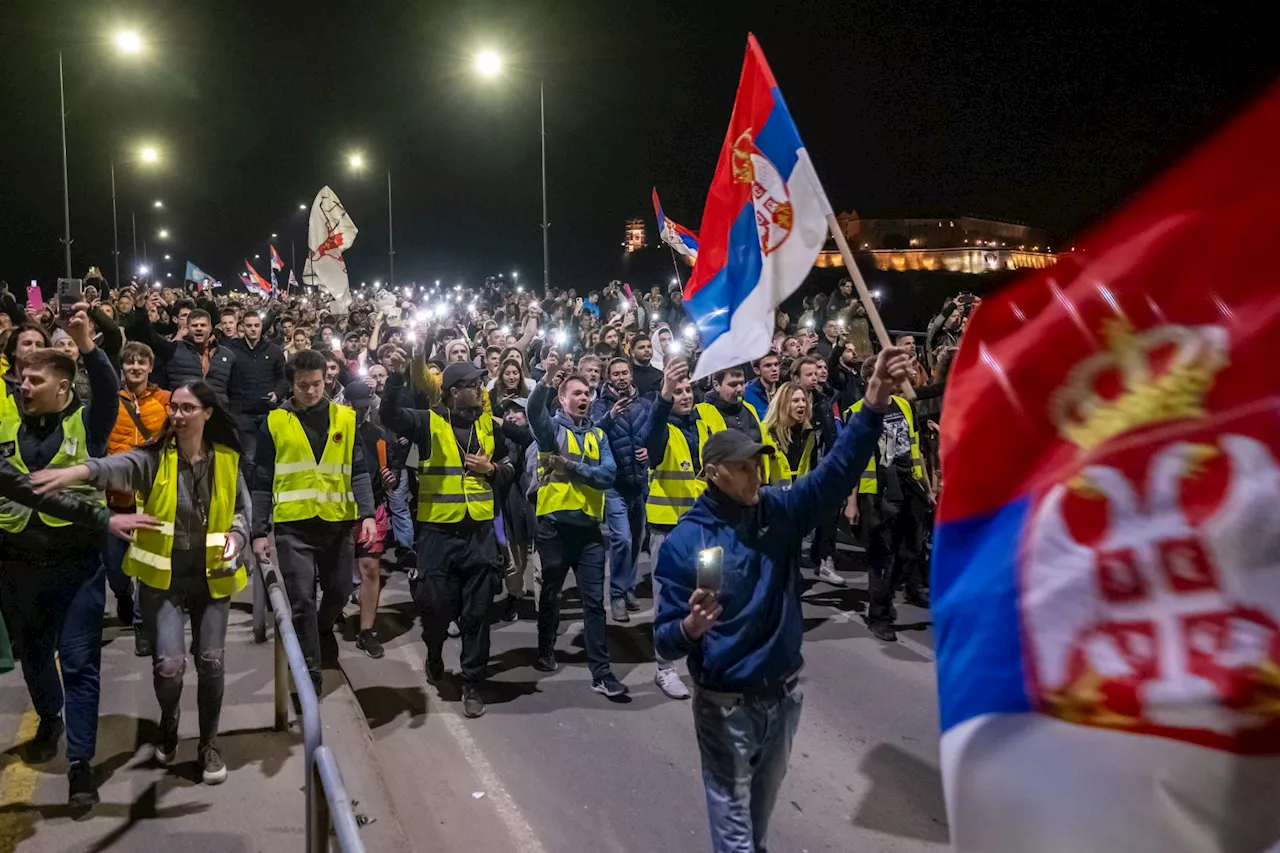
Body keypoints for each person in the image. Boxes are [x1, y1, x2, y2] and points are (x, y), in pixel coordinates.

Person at [653, 346, 912, 853]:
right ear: (714, 472)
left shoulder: (779, 512)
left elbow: (834, 473)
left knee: (756, 818)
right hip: (726, 708)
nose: (756, 476)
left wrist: (875, 402)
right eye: (744, 468)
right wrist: (689, 629)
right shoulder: (687, 541)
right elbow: (661, 638)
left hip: (783, 698)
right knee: (734, 829)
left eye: (759, 465)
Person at [35, 381, 250, 786]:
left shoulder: (226, 458)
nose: (179, 415)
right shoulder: (155, 458)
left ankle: (208, 743)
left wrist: (237, 537)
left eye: (188, 408)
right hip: (162, 578)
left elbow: (240, 509)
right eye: (175, 408)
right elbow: (114, 467)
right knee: (169, 667)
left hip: (212, 577)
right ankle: (169, 720)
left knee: (211, 661)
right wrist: (74, 473)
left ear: (207, 414)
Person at [0, 309, 118, 812]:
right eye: (19, 377)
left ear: (63, 388)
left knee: (79, 663)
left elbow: (108, 390)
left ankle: (80, 766)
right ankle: (50, 717)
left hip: (78, 567)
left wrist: (85, 343)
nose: (22, 385)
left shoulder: (87, 422)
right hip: (14, 565)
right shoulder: (3, 415)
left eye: (33, 379)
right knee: (32, 655)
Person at [250, 350, 378, 694]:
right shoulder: (274, 422)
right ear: (292, 383)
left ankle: (323, 629)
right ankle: (310, 673)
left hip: (337, 525)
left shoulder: (345, 418)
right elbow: (261, 480)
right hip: (294, 528)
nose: (310, 391)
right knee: (301, 600)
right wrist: (258, 531)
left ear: (328, 380)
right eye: (302, 385)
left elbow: (359, 471)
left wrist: (367, 514)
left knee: (338, 591)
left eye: (317, 384)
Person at [527, 349, 627, 697]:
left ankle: (601, 672)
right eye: (576, 394)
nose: (583, 398)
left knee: (593, 603)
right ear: (563, 399)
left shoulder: (599, 436)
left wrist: (571, 467)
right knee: (551, 594)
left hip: (588, 532)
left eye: (587, 394)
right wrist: (545, 377)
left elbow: (608, 476)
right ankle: (545, 649)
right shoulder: (551, 430)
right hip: (553, 529)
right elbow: (532, 412)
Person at [844, 358, 933, 642]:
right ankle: (879, 615)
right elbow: (852, 462)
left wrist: (927, 487)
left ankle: (892, 593)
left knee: (914, 548)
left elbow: (914, 447)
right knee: (882, 553)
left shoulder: (904, 405)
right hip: (878, 490)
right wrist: (852, 501)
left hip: (908, 484)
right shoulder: (857, 413)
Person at [639, 356, 704, 700]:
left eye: (688, 389)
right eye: (677, 391)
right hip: (669, 531)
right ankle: (665, 669)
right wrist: (663, 397)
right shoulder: (662, 427)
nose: (685, 395)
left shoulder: (707, 421)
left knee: (709, 596)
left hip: (707, 531)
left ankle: (705, 661)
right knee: (669, 601)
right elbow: (650, 438)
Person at [105, 342, 171, 655]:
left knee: (145, 565)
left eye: (141, 362)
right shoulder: (108, 401)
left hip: (151, 496)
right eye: (130, 363)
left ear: (149, 366)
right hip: (116, 497)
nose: (135, 367)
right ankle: (122, 597)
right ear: (122, 367)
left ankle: (143, 628)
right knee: (116, 570)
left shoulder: (165, 400)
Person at [589, 357, 652, 623]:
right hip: (614, 484)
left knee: (636, 541)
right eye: (615, 374)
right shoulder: (598, 406)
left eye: (625, 372)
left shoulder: (645, 405)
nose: (621, 377)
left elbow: (656, 434)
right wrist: (609, 417)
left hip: (639, 483)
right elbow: (591, 436)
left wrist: (650, 451)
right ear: (608, 377)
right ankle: (616, 595)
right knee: (622, 539)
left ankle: (627, 588)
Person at [343, 380, 394, 660]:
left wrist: (391, 480)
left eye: (364, 407)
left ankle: (366, 630)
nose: (359, 412)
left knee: (370, 568)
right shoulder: (335, 432)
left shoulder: (377, 435)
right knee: (336, 573)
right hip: (339, 511)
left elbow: (391, 470)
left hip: (372, 508)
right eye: (355, 407)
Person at [226, 311, 287, 478]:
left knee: (271, 457)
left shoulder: (274, 351)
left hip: (268, 412)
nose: (253, 329)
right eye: (249, 326)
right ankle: (252, 497)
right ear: (242, 327)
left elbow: (284, 377)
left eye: (256, 325)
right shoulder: (232, 351)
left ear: (261, 327)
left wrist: (277, 393)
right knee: (250, 459)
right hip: (244, 413)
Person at [760, 382, 818, 488]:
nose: (802, 405)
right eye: (796, 401)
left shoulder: (808, 433)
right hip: (774, 497)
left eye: (804, 400)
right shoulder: (766, 433)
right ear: (783, 404)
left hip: (800, 496)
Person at [695, 367, 762, 446]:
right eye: (733, 385)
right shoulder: (702, 413)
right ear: (716, 385)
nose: (739, 389)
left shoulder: (750, 408)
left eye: (742, 383)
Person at [628, 333, 663, 398]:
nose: (647, 350)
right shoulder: (628, 376)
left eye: (649, 347)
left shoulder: (660, 375)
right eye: (641, 347)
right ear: (632, 352)